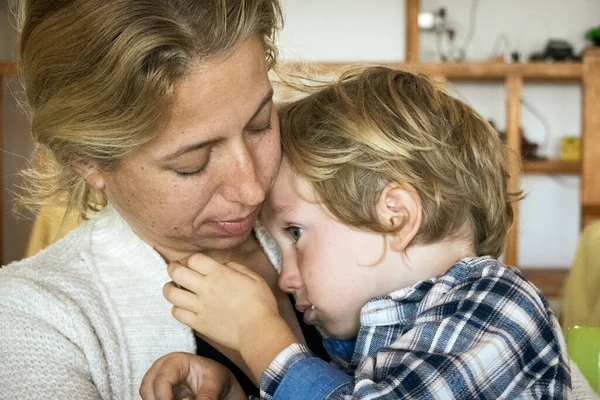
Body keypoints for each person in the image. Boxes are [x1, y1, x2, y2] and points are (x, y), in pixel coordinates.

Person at [144, 67, 574, 399]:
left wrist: (258, 333)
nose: (284, 276)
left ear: (396, 216)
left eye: (295, 232)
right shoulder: (372, 341)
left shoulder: (496, 308)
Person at [0, 1, 330, 398]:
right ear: (88, 162)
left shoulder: (341, 200)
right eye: (193, 162)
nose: (253, 189)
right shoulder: (34, 318)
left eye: (260, 124)